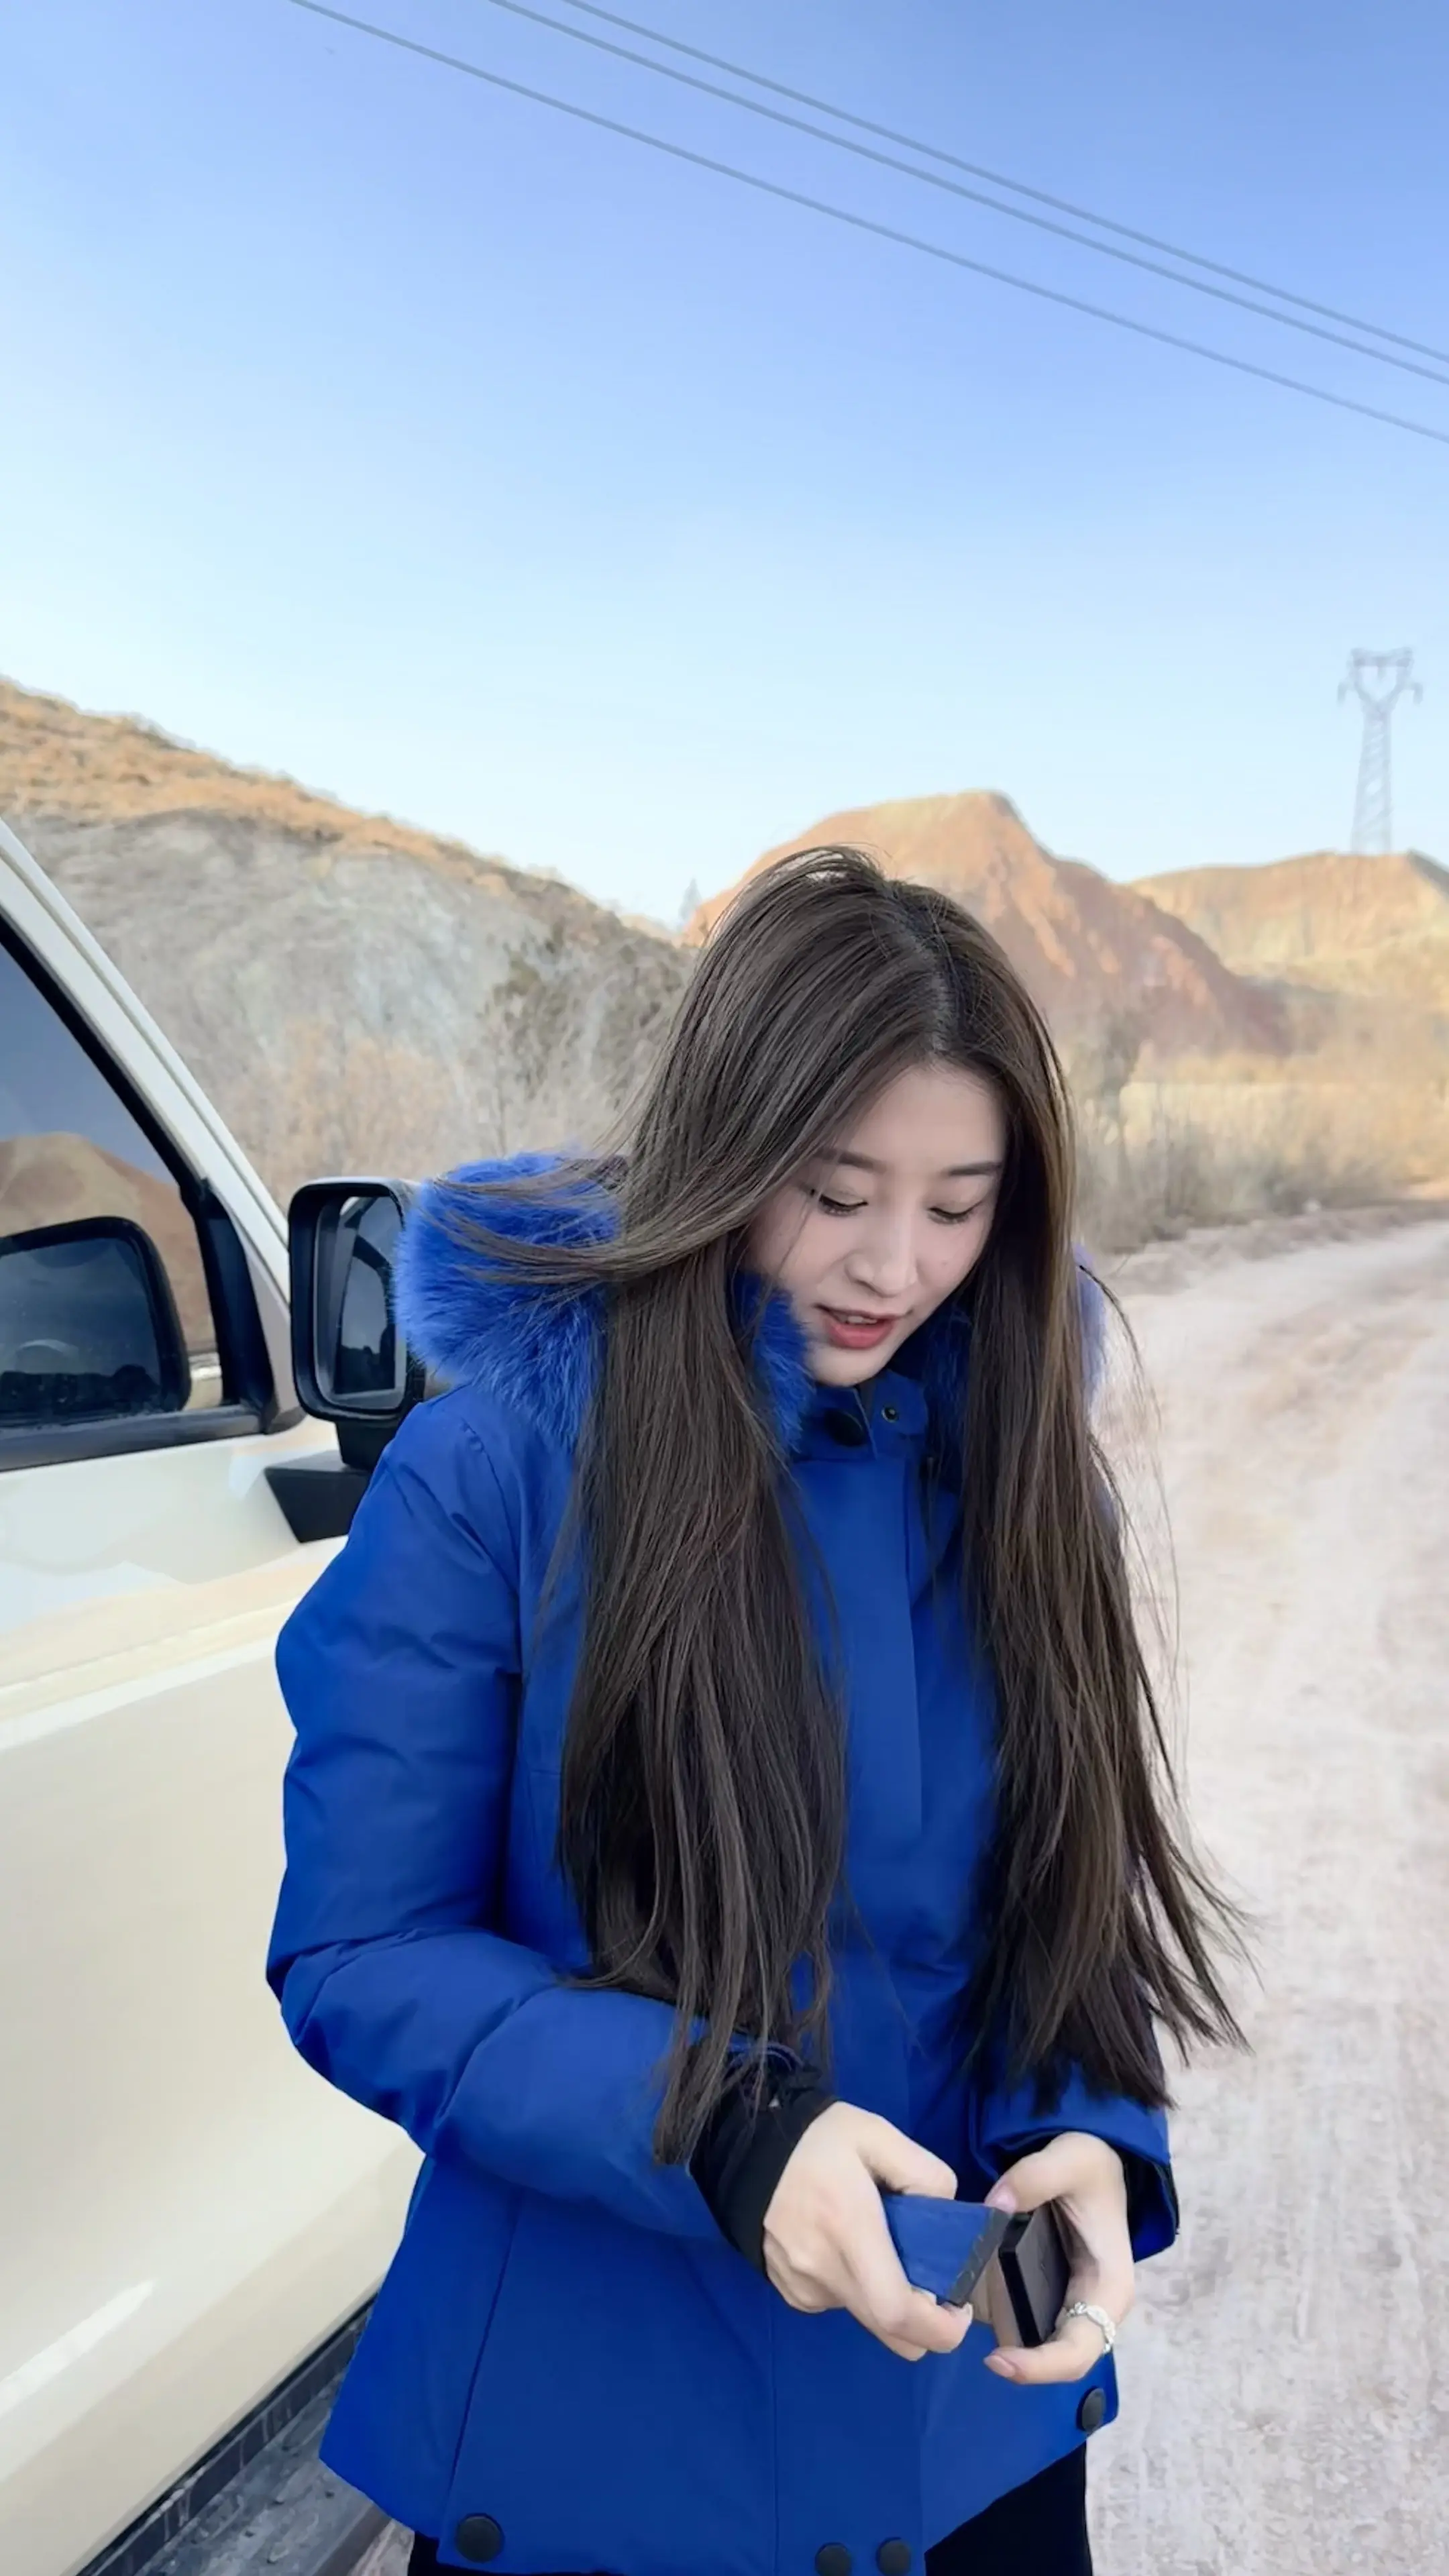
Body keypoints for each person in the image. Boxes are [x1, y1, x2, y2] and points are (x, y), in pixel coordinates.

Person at [267, 847, 1241, 2576]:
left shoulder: (1018, 1478)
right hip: (597, 2459)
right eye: (835, 1189)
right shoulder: (499, 1473)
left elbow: (1061, 1904)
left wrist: (1092, 2132)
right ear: (725, 1149)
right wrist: (723, 2129)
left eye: (959, 1206)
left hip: (963, 2444)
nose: (895, 1264)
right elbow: (363, 1951)